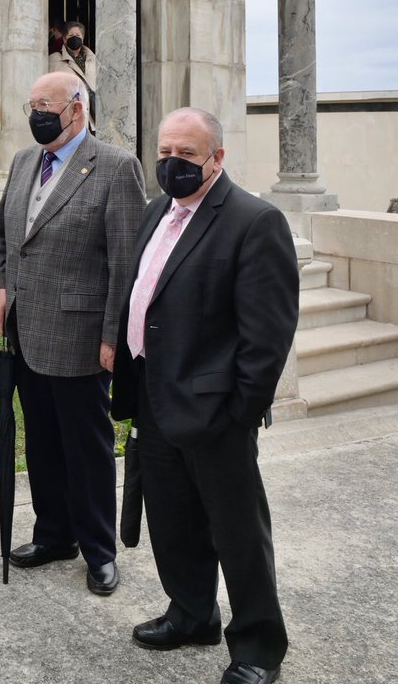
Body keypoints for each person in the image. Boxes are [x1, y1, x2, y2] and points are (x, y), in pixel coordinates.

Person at [111, 108, 299, 684]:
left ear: (217, 158)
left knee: (238, 534)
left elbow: (267, 336)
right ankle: (192, 614)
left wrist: (240, 412)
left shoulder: (254, 221)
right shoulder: (156, 211)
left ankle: (259, 647)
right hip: (155, 396)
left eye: (186, 155)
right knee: (172, 520)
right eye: (165, 152)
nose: (172, 164)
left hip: (216, 412)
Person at [0, 72, 146, 595]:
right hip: (25, 331)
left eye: (46, 106)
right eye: (31, 105)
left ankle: (99, 551)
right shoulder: (23, 162)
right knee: (42, 443)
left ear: (77, 109)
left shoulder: (116, 167)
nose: (37, 115)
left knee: (86, 448)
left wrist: (114, 338)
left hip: (81, 337)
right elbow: (0, 237)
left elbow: (126, 263)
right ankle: (54, 535)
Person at [48, 20, 97, 130]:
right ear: (64, 39)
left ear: (83, 38)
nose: (75, 38)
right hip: (70, 119)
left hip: (92, 120)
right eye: (71, 35)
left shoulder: (93, 59)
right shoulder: (54, 60)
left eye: (78, 35)